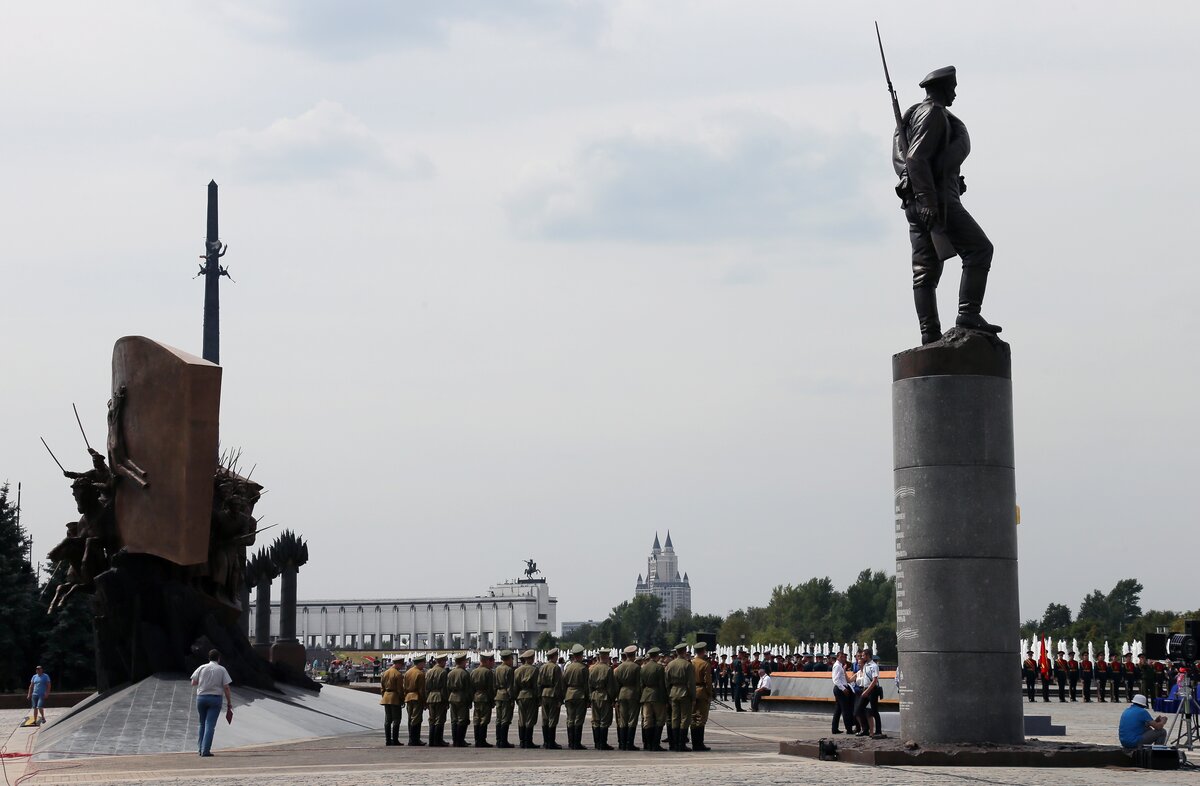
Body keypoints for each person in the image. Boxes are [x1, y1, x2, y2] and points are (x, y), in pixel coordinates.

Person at [893, 64, 999, 345]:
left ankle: (929, 335)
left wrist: (950, 178)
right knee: (979, 249)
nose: (955, 93)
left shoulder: (913, 116)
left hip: (916, 201)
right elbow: (917, 159)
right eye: (952, 88)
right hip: (936, 202)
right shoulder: (934, 113)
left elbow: (909, 161)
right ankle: (968, 314)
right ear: (943, 88)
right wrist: (929, 200)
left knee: (924, 271)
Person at [190, 649, 233, 757]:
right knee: (210, 724)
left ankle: (200, 749)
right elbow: (226, 687)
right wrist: (229, 702)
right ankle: (206, 750)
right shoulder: (221, 669)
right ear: (218, 658)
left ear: (208, 658)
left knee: (202, 723)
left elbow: (193, 682)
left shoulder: (202, 668)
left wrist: (204, 682)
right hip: (215, 699)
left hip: (201, 698)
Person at [664, 643, 695, 752]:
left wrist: (668, 693)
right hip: (684, 693)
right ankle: (681, 744)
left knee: (674, 718)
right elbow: (691, 682)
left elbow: (666, 682)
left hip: (673, 692)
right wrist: (693, 696)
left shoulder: (670, 665)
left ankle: (674, 743)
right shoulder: (687, 665)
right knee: (685, 718)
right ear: (684, 651)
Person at [588, 648, 618, 750]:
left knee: (595, 720)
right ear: (606, 657)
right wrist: (612, 698)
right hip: (604, 696)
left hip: (594, 695)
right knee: (604, 720)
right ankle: (603, 743)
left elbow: (589, 684)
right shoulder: (608, 669)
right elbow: (610, 686)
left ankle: (597, 743)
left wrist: (591, 695)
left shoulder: (592, 668)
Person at [639, 646, 667, 751]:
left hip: (646, 695)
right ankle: (655, 744)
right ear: (657, 656)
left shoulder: (643, 667)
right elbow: (661, 684)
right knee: (659, 720)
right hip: (657, 695)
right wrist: (664, 698)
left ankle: (647, 744)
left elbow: (641, 684)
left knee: (647, 720)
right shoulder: (659, 668)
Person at [614, 644, 642, 751]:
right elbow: (639, 683)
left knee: (623, 719)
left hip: (622, 693)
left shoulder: (619, 667)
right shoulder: (636, 667)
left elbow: (616, 684)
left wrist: (616, 696)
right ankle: (630, 743)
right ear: (634, 655)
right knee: (632, 719)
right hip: (633, 693)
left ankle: (622, 743)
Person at [562, 644, 590, 750]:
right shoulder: (583, 668)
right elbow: (586, 685)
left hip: (569, 694)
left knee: (570, 719)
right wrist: (588, 698)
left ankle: (571, 742)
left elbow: (563, 682)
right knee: (578, 719)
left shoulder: (568, 668)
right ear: (581, 655)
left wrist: (564, 694)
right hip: (580, 694)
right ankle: (577, 742)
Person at [538, 647, 565, 749]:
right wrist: (560, 699)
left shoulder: (542, 667)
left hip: (544, 693)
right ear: (554, 657)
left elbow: (539, 683)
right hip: (553, 694)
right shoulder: (556, 668)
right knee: (553, 718)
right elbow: (558, 684)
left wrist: (540, 695)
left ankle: (546, 741)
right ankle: (551, 742)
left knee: (545, 718)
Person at [513, 649, 541, 749]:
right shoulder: (534, 670)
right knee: (530, 719)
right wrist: (538, 698)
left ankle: (522, 741)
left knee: (521, 719)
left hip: (521, 695)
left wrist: (516, 696)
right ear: (531, 659)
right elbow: (536, 686)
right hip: (530, 695)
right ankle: (528, 741)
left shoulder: (517, 670)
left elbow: (515, 685)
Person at [446, 652, 474, 747]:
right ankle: (460, 740)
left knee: (454, 720)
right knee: (462, 720)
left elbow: (448, 687)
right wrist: (470, 700)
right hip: (462, 697)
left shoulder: (450, 673)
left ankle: (455, 740)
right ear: (462, 662)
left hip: (452, 697)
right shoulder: (464, 673)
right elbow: (468, 688)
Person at [855, 649, 883, 738]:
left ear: (868, 656)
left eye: (863, 655)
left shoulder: (873, 666)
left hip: (872, 690)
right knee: (858, 710)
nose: (862, 657)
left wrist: (867, 691)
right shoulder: (865, 665)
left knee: (875, 711)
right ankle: (865, 729)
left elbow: (875, 680)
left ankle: (878, 731)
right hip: (865, 689)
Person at [690, 641, 712, 752]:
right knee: (701, 718)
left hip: (692, 691)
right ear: (703, 651)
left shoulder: (691, 663)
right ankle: (699, 743)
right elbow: (707, 681)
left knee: (693, 717)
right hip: (702, 692)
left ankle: (694, 743)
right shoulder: (705, 664)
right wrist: (710, 693)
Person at [470, 652, 496, 748]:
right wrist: (492, 700)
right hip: (485, 697)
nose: (492, 663)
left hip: (476, 697)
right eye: (492, 661)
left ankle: (477, 740)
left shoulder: (473, 672)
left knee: (476, 719)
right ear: (487, 661)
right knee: (484, 719)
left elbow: (471, 687)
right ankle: (482, 740)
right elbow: (490, 688)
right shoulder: (488, 672)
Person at [379, 656, 405, 746]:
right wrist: (402, 699)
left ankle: (388, 740)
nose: (402, 666)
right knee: (396, 720)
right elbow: (400, 689)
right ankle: (395, 740)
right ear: (398, 663)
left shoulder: (385, 673)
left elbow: (382, 687)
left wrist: (384, 696)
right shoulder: (398, 674)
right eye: (401, 664)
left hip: (386, 696)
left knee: (387, 720)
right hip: (395, 698)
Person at [492, 650, 516, 748]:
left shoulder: (497, 669)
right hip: (506, 695)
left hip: (498, 695)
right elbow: (510, 686)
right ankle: (503, 741)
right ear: (508, 659)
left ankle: (498, 740)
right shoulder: (509, 670)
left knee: (499, 719)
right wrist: (512, 698)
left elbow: (494, 684)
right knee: (505, 719)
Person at [425, 653, 449, 747]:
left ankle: (431, 741)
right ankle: (438, 740)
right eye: (445, 661)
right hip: (440, 697)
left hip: (431, 696)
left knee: (432, 719)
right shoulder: (443, 672)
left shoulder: (429, 671)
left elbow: (426, 687)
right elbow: (444, 688)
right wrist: (446, 700)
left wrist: (427, 698)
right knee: (440, 719)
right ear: (442, 661)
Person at [403, 654, 427, 746]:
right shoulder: (420, 674)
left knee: (410, 719)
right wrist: (424, 701)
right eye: (424, 663)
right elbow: (421, 689)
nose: (424, 665)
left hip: (409, 697)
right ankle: (415, 740)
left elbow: (404, 686)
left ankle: (411, 739)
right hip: (417, 697)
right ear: (420, 663)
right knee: (416, 719)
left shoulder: (408, 672)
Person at [831, 652, 855, 733]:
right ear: (837, 657)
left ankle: (834, 728)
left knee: (838, 710)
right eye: (841, 657)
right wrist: (843, 689)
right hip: (840, 689)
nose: (843, 658)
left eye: (844, 657)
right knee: (845, 709)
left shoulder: (840, 666)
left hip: (840, 688)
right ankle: (849, 729)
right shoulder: (837, 666)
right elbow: (835, 680)